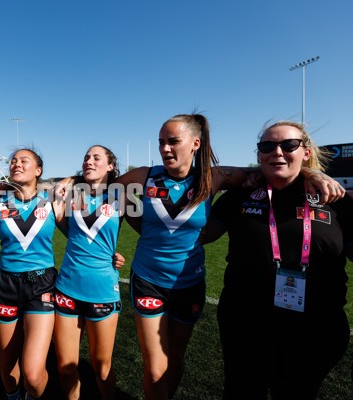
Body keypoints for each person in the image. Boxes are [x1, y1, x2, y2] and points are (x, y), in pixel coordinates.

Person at [112, 114, 344, 400]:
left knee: (177, 359)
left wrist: (313, 173)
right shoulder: (143, 176)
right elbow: (108, 192)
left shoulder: (215, 176)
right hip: (152, 280)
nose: (165, 148)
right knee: (157, 369)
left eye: (173, 141)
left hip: (191, 282)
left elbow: (264, 172)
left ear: (195, 143)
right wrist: (121, 239)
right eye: (161, 142)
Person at [201, 120, 353, 399]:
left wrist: (312, 175)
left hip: (315, 328)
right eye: (267, 146)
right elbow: (200, 235)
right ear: (259, 155)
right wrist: (217, 177)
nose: (277, 152)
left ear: (306, 152)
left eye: (289, 145)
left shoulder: (334, 198)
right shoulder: (241, 196)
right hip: (245, 324)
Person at [0, 148, 63, 400]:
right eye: (13, 161)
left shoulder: (52, 202)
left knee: (34, 375)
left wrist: (109, 256)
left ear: (38, 171)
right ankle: (13, 395)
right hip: (6, 285)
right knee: (7, 361)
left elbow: (80, 238)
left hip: (42, 285)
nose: (16, 164)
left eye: (24, 161)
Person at [54, 145, 123, 400]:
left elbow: (145, 229)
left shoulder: (122, 195)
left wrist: (116, 255)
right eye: (86, 158)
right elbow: (61, 220)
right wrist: (75, 178)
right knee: (65, 368)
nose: (89, 161)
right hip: (67, 288)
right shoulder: (73, 193)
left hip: (103, 290)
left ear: (110, 166)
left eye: (96, 158)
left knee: (102, 369)